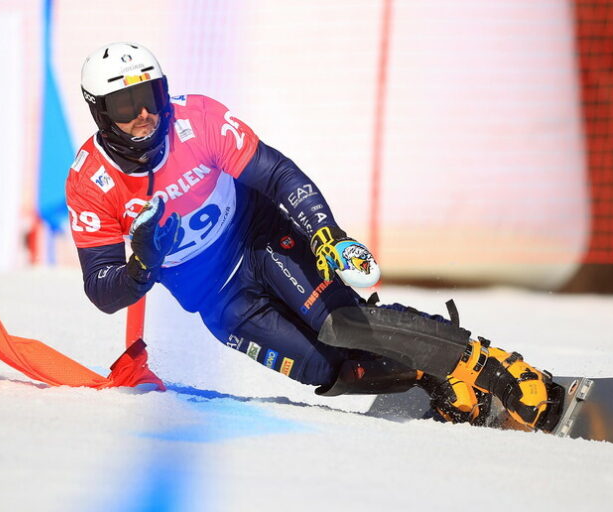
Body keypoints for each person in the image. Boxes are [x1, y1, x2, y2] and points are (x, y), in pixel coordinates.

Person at [66, 42, 561, 431]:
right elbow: (102, 291)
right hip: (217, 300)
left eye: (149, 96)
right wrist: (141, 266)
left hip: (258, 237)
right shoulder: (91, 183)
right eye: (125, 105)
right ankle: (437, 375)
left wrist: (325, 233)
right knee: (331, 370)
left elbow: (278, 174)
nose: (144, 114)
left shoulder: (195, 119)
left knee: (341, 322)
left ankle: (489, 367)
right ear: (100, 113)